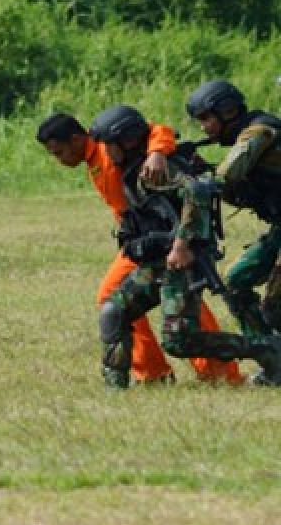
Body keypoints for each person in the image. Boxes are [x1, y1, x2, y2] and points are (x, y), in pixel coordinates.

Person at [36, 113, 240, 385]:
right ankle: (159, 372)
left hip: (161, 237)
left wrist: (156, 154)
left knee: (176, 300)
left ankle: (210, 373)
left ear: (76, 139)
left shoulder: (107, 146)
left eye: (59, 152)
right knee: (159, 299)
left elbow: (159, 129)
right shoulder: (94, 157)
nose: (59, 160)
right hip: (141, 242)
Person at [86, 105, 281, 388]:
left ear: (126, 141)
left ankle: (264, 349)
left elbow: (198, 191)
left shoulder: (160, 168)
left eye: (109, 145)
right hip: (157, 262)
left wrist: (181, 245)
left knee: (179, 341)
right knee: (113, 311)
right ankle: (114, 389)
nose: (105, 151)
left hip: (183, 262)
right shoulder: (133, 167)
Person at [177, 80, 281, 344]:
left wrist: (197, 180)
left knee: (276, 306)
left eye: (205, 118)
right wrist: (200, 171)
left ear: (228, 111)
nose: (203, 128)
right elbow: (240, 191)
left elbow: (227, 176)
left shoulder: (260, 130)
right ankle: (270, 357)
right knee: (235, 282)